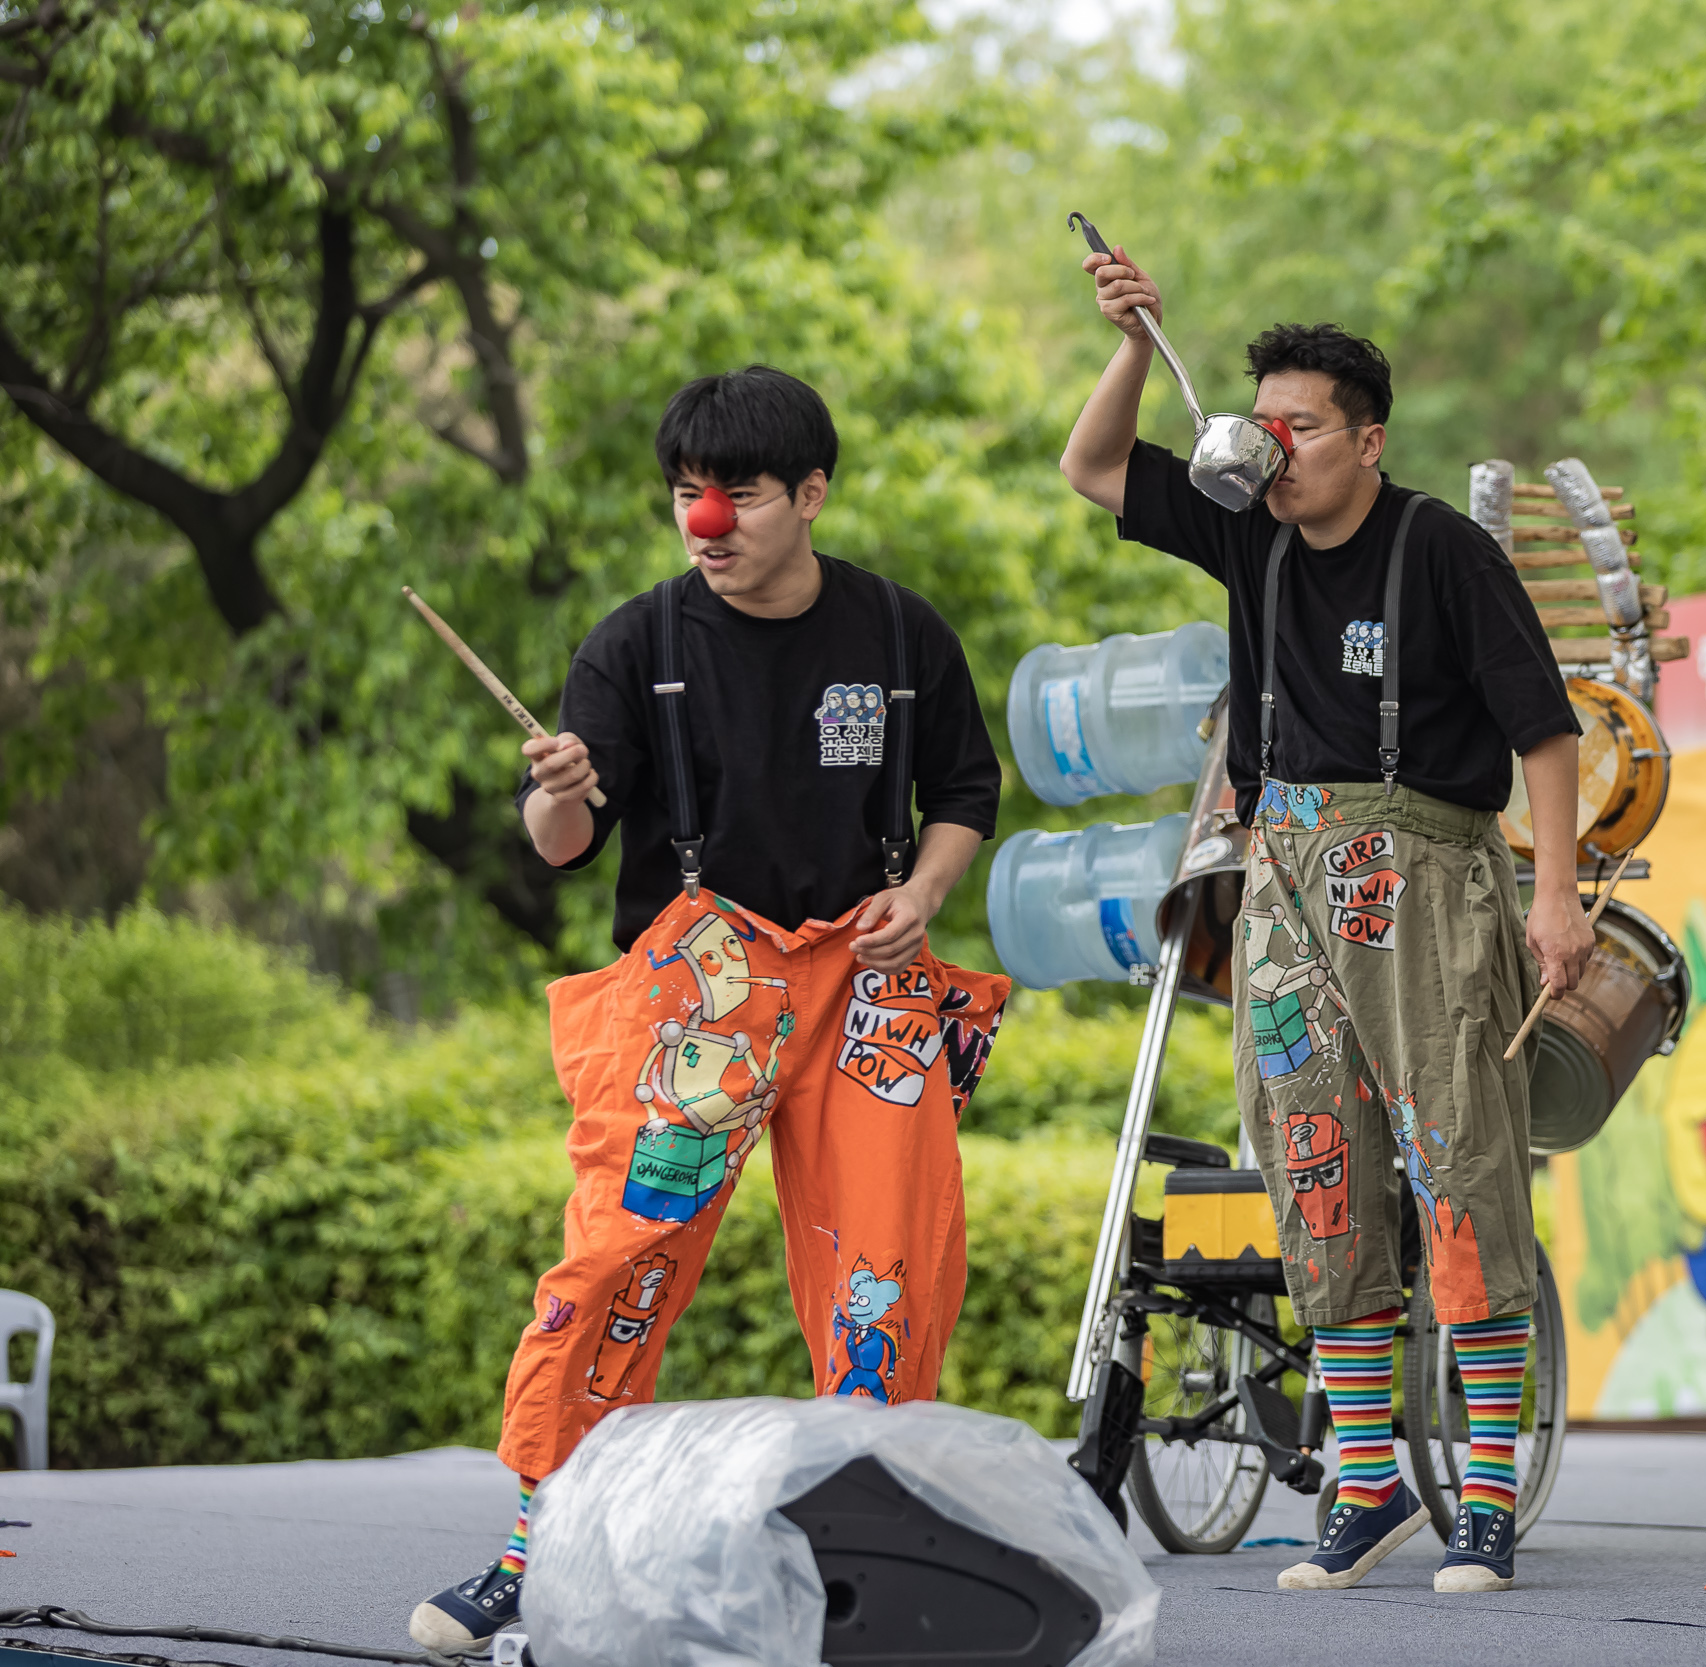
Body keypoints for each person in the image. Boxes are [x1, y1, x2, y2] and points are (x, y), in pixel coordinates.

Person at [409, 366, 1009, 1649]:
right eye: (689, 495)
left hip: (864, 976)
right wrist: (561, 787)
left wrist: (932, 887)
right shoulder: (635, 646)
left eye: (738, 493)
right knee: (615, 1255)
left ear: (811, 493)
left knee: (886, 1272)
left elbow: (966, 786)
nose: (709, 523)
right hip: (699, 984)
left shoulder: (902, 636)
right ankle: (539, 1544)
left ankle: (867, 1550)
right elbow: (562, 843)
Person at [1061, 251, 1595, 1595]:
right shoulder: (1247, 530)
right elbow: (1092, 465)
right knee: (1315, 1170)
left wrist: (1556, 893)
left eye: (1300, 426)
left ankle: (1481, 1495)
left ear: (1368, 437)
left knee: (1462, 1170)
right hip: (1284, 881)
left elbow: (1543, 728)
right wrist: (1134, 341)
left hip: (1428, 879)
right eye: (1261, 422)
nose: (1273, 447)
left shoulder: (1443, 551)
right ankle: (1363, 1481)